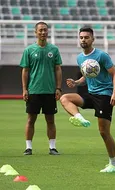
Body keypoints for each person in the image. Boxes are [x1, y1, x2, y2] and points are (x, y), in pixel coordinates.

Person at [59, 27, 115, 173]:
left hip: (105, 95)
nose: (83, 40)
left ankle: (113, 164)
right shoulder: (80, 58)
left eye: (86, 37)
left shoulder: (102, 56)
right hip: (90, 94)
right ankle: (79, 117)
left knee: (104, 132)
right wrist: (76, 82)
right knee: (65, 98)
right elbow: (87, 75)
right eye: (81, 37)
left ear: (93, 39)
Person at [20, 21, 62, 156]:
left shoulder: (54, 50)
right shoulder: (29, 50)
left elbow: (58, 69)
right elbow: (25, 71)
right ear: (35, 32)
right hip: (34, 91)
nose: (43, 32)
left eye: (45, 30)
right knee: (31, 120)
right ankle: (28, 148)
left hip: (50, 91)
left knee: (50, 120)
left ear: (48, 32)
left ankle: (52, 147)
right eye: (40, 30)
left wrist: (58, 88)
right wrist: (25, 89)